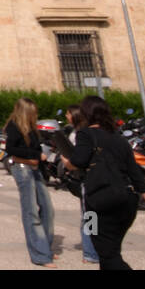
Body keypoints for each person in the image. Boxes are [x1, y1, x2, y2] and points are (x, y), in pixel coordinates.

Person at [66, 95, 145, 269]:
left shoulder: (85, 134)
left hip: (98, 202)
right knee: (110, 251)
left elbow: (79, 161)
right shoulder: (120, 139)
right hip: (127, 202)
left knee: (106, 253)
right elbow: (136, 174)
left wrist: (67, 162)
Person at [4, 97, 57, 267]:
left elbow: (37, 148)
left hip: (35, 169)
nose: (35, 114)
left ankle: (45, 246)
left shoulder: (32, 128)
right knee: (31, 211)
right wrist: (34, 156)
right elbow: (10, 149)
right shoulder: (14, 126)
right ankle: (40, 254)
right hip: (22, 169)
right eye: (32, 111)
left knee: (48, 208)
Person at [66, 103, 98, 265]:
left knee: (89, 215)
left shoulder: (80, 135)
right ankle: (90, 251)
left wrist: (68, 162)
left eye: (68, 114)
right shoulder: (80, 133)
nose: (66, 116)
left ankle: (91, 251)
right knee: (89, 215)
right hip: (87, 179)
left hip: (87, 178)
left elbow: (78, 160)